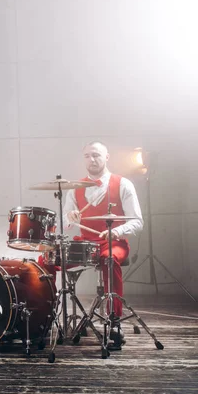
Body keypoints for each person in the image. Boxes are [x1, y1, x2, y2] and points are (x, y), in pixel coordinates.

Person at [39, 141, 143, 343]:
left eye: (96, 155)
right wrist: (71, 218)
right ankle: (46, 317)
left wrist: (117, 231)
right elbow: (65, 224)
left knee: (109, 259)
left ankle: (114, 321)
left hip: (115, 243)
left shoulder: (123, 184)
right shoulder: (74, 188)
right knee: (47, 260)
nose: (92, 159)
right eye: (87, 156)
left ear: (107, 157)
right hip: (86, 243)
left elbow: (138, 221)